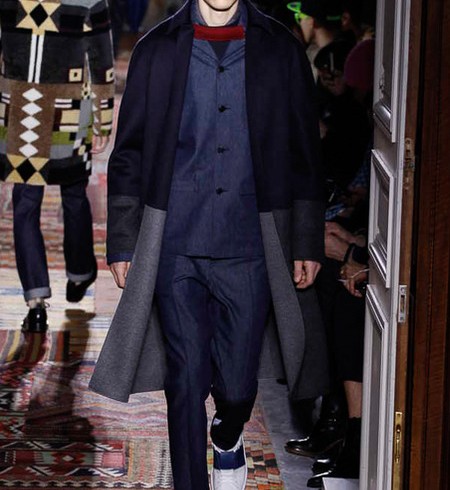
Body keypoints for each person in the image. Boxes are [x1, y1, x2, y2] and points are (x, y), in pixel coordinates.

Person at [89, 0, 328, 488]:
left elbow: (304, 150)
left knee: (238, 385)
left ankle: (228, 432)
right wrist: (124, 241)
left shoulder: (280, 49)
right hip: (175, 242)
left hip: (251, 243)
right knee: (185, 379)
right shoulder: (157, 50)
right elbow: (129, 152)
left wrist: (306, 238)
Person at [0, 0, 115, 332]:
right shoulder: (88, 0)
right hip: (68, 109)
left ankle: (36, 303)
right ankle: (80, 273)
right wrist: (103, 120)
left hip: (21, 109)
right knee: (73, 194)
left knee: (26, 202)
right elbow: (101, 60)